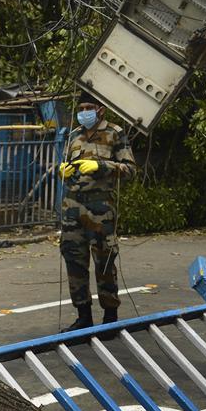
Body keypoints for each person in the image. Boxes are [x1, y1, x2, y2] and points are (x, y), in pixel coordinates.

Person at [58, 91, 136, 331]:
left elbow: (130, 169)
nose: (84, 113)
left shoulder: (115, 133)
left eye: (88, 108)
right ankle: (83, 316)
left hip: (101, 211)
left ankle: (110, 317)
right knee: (74, 261)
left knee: (104, 261)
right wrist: (62, 170)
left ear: (100, 109)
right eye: (81, 109)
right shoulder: (74, 135)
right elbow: (64, 164)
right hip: (72, 209)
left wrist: (101, 166)